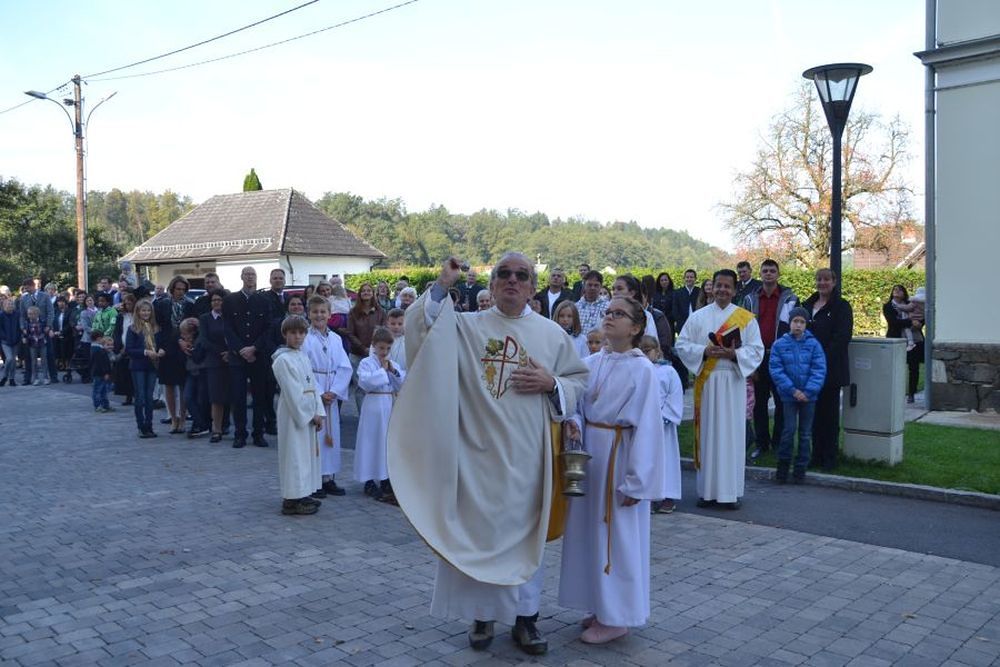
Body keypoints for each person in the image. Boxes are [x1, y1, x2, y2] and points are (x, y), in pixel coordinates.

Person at [387, 253, 589, 656]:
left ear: (532, 288)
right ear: (492, 285)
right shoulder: (466, 327)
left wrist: (551, 383)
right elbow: (424, 328)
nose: (512, 280)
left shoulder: (552, 334)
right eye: (504, 274)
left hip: (530, 456)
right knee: (478, 536)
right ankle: (482, 616)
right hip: (477, 453)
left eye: (521, 275)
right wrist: (442, 285)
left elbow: (578, 381)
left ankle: (526, 619)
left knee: (526, 539)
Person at [558, 297, 666, 645]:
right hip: (592, 455)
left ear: (635, 327)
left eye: (619, 314)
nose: (610, 317)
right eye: (608, 312)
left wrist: (638, 483)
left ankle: (618, 617)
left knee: (616, 539)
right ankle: (598, 604)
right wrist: (575, 423)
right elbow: (577, 406)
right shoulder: (591, 362)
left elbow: (648, 428)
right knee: (590, 535)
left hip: (620, 458)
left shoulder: (642, 370)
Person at [675, 269, 764, 510]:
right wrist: (704, 351)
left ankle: (730, 493)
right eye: (718, 285)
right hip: (708, 382)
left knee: (731, 437)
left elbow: (757, 349)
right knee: (708, 435)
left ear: (734, 290)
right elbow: (682, 345)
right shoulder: (698, 317)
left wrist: (734, 354)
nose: (722, 290)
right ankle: (707, 492)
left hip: (732, 381)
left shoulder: (745, 318)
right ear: (711, 288)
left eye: (727, 286)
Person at [742, 259, 799, 461]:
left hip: (780, 358)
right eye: (765, 270)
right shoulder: (750, 299)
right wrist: (748, 362)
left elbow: (796, 328)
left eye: (772, 271)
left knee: (782, 403)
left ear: (778, 274)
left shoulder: (790, 298)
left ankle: (778, 444)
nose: (768, 274)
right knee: (759, 404)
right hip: (758, 357)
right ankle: (761, 444)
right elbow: (743, 330)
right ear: (760, 273)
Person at [272, 315, 325, 516]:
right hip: (293, 413)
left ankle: (303, 492)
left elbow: (312, 386)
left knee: (306, 455)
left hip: (308, 411)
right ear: (285, 334)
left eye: (302, 333)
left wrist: (318, 411)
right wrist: (310, 414)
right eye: (293, 333)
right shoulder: (282, 360)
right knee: (294, 455)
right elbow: (293, 392)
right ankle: (291, 499)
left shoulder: (302, 356)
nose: (298, 337)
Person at [769, 307, 827, 483]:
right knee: (788, 430)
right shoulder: (779, 344)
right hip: (789, 396)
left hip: (809, 397)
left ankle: (800, 469)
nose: (798, 325)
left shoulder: (814, 345)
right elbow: (776, 369)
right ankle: (783, 467)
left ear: (806, 324)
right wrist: (793, 390)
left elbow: (819, 369)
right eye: (795, 321)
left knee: (805, 433)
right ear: (790, 323)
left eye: (802, 322)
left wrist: (808, 391)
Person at [804, 269, 854, 470]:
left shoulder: (842, 307)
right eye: (819, 279)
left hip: (830, 369)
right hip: (808, 371)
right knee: (813, 415)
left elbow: (842, 337)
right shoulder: (807, 305)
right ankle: (815, 455)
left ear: (834, 282)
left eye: (826, 279)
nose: (822, 283)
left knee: (830, 416)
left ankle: (830, 457)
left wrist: (820, 359)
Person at [303, 295, 352, 498]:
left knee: (331, 437)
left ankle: (328, 478)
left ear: (330, 314)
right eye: (315, 312)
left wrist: (334, 391)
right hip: (315, 391)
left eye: (323, 311)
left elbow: (345, 367)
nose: (319, 315)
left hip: (331, 391)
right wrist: (319, 393)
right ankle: (314, 481)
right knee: (316, 436)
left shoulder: (336, 339)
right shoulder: (305, 338)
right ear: (308, 314)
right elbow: (304, 369)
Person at [355, 326, 406, 503]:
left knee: (385, 442)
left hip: (388, 405)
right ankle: (368, 479)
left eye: (388, 348)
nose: (384, 352)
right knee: (371, 441)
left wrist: (393, 372)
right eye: (381, 348)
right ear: (374, 346)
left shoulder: (393, 364)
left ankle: (385, 477)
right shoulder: (366, 363)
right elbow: (365, 382)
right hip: (373, 405)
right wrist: (383, 371)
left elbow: (401, 384)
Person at [222, 267, 271, 448]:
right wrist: (241, 349)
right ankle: (240, 434)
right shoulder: (230, 300)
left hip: (258, 356)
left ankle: (258, 434)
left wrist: (254, 348)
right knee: (238, 397)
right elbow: (227, 328)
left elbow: (268, 328)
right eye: (247, 274)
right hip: (238, 356)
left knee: (259, 397)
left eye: (253, 274)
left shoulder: (264, 301)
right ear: (241, 277)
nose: (250, 277)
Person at [639, 335, 683, 515]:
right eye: (641, 351)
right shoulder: (638, 370)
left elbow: (675, 395)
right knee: (645, 460)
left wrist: (664, 416)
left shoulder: (669, 372)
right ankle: (647, 497)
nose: (645, 355)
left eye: (647, 351)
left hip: (663, 426)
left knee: (665, 460)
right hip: (642, 424)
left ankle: (667, 497)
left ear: (657, 351)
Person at [195, 290, 231, 443]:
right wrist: (221, 353)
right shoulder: (205, 318)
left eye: (220, 300)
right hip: (214, 362)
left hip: (232, 360)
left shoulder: (230, 317)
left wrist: (230, 353)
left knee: (232, 395)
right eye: (214, 300)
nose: (217, 302)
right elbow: (204, 340)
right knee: (216, 397)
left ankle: (229, 425)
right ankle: (216, 429)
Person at [126, 299, 162, 438]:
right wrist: (145, 352)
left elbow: (160, 343)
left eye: (148, 310)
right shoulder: (133, 329)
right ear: (138, 312)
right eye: (143, 310)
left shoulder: (156, 328)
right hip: (138, 366)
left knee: (149, 397)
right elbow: (129, 349)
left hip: (152, 365)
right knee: (140, 396)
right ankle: (141, 426)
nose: (146, 313)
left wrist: (161, 351)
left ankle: (149, 425)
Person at [111, 293, 136, 407]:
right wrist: (118, 346)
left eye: (130, 303)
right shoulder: (121, 316)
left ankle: (136, 395)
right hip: (122, 345)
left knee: (133, 374)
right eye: (126, 304)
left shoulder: (137, 316)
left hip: (134, 346)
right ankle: (128, 395)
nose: (128, 306)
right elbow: (117, 332)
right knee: (124, 373)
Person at [89, 332, 114, 412]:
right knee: (98, 390)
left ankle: (105, 405)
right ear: (99, 338)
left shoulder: (95, 348)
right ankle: (98, 406)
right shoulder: (98, 350)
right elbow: (101, 363)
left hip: (98, 372)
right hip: (99, 373)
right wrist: (106, 372)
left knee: (103, 390)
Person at [0, 297, 18, 386]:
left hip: (15, 341)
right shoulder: (1, 315)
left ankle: (12, 379)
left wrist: (18, 337)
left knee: (13, 361)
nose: (10, 306)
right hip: (5, 341)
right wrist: (4, 337)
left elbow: (19, 326)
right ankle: (4, 376)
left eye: (11, 304)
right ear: (4, 306)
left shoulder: (17, 314)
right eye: (7, 304)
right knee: (9, 358)